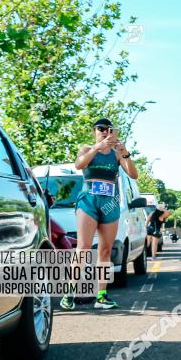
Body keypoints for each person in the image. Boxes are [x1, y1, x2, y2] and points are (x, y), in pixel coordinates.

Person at [60, 118, 138, 311]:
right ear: (95, 131)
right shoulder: (86, 148)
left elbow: (133, 174)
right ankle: (69, 293)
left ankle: (101, 296)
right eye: (101, 129)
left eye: (109, 129)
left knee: (105, 250)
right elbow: (79, 165)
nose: (105, 132)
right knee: (84, 247)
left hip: (110, 202)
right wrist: (97, 148)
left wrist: (124, 152)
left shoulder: (117, 154)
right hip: (89, 201)